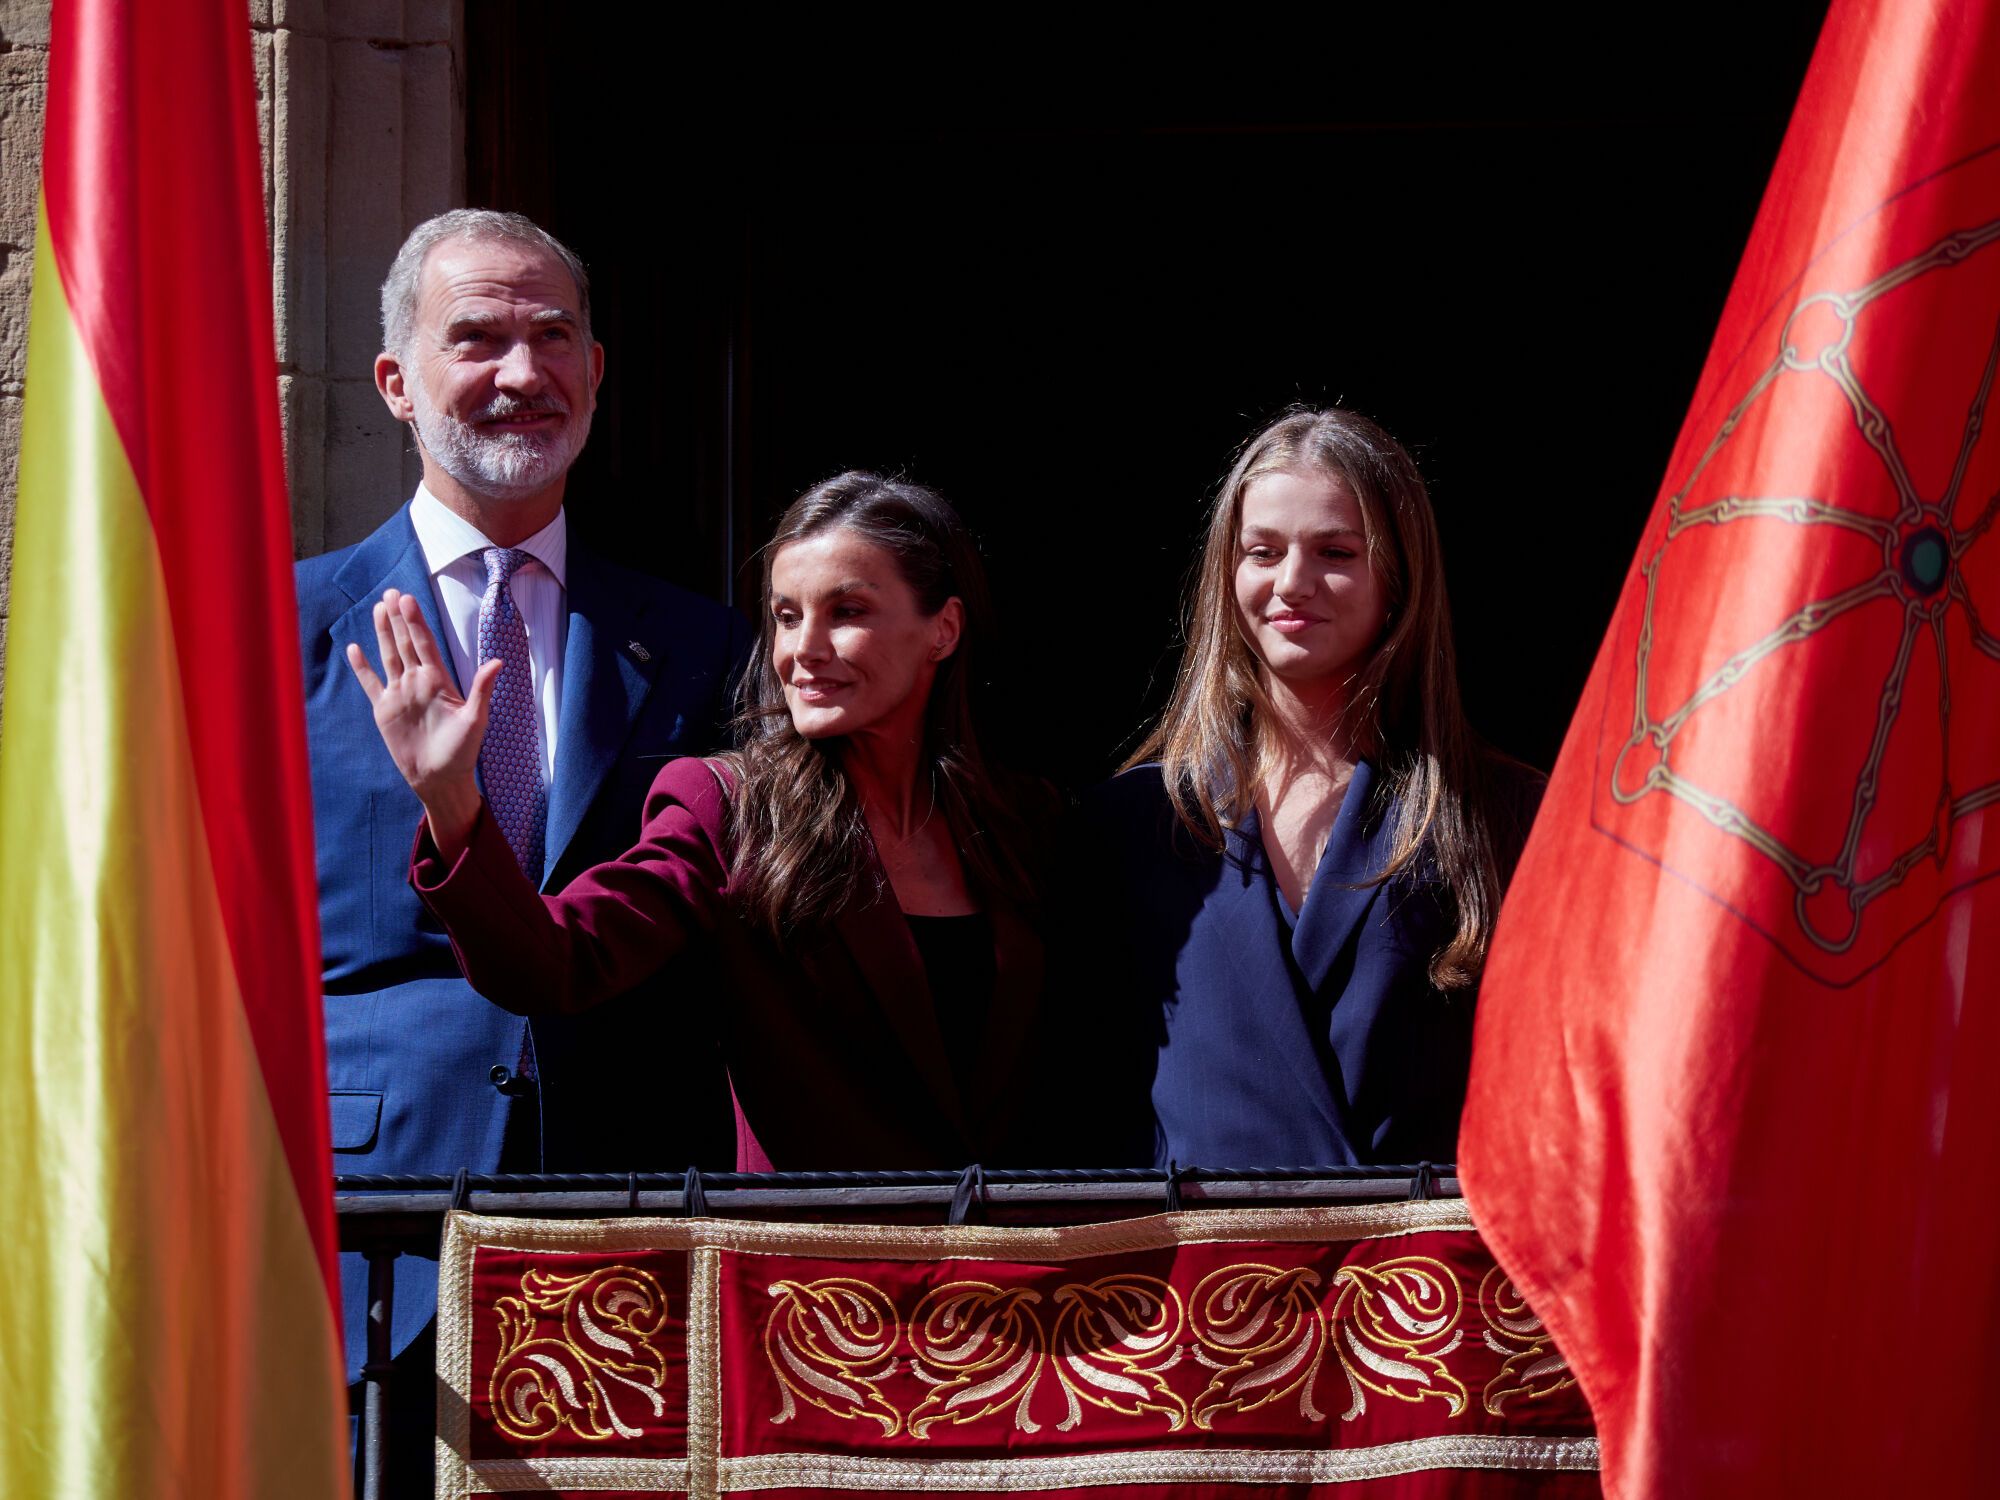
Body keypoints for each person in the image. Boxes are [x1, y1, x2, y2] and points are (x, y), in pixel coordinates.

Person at [295, 210, 748, 1476]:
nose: (521, 372)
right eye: (477, 338)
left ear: (596, 373)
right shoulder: (278, 630)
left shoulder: (704, 647)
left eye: (554, 337)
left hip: (630, 1221)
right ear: (396, 382)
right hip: (366, 1232)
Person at [349, 471, 1055, 1168]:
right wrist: (450, 798)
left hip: (1021, 1242)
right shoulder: (728, 808)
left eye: (847, 612)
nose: (803, 651)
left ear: (943, 630)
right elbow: (553, 963)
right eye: (786, 617)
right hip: (815, 1247)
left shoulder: (1029, 823)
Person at [1079, 407, 1539, 1168]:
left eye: (1335, 552)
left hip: (1426, 1247)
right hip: (1197, 1249)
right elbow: (1084, 1106)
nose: (1292, 583)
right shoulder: (1133, 823)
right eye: (1262, 552)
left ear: (1399, 577)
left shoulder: (1503, 813)